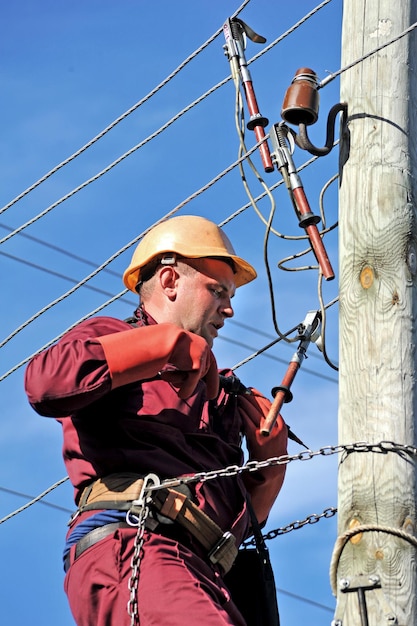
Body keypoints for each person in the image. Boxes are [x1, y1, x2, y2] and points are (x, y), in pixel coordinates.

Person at [24, 215, 288, 626]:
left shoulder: (218, 392)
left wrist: (267, 475)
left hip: (201, 572)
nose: (230, 309)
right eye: (217, 291)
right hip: (134, 545)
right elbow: (45, 383)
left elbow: (223, 530)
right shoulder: (111, 334)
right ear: (169, 282)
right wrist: (163, 344)